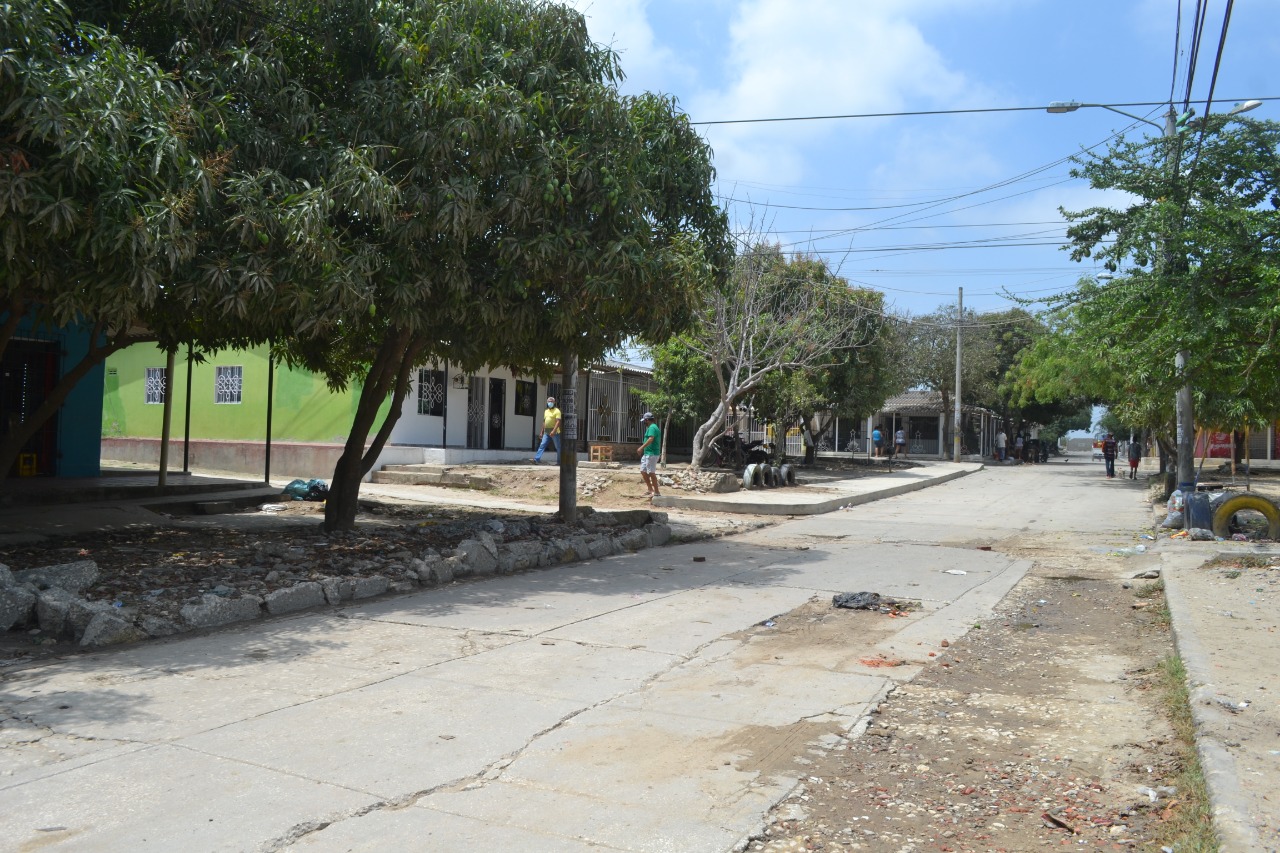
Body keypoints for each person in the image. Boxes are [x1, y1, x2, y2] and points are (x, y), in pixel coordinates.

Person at [637, 412, 661, 499]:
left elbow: (651, 439)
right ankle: (650, 489)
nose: (644, 422)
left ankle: (657, 492)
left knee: (651, 473)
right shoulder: (651, 427)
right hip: (647, 453)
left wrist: (641, 447)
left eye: (644, 421)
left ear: (647, 420)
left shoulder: (652, 427)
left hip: (652, 454)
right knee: (643, 471)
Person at [531, 396, 562, 464]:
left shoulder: (557, 411)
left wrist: (553, 431)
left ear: (554, 402)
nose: (550, 403)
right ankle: (536, 459)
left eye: (551, 401)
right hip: (546, 431)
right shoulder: (546, 411)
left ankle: (559, 462)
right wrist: (542, 432)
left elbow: (558, 422)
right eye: (549, 401)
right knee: (542, 445)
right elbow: (544, 422)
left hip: (555, 431)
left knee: (558, 447)